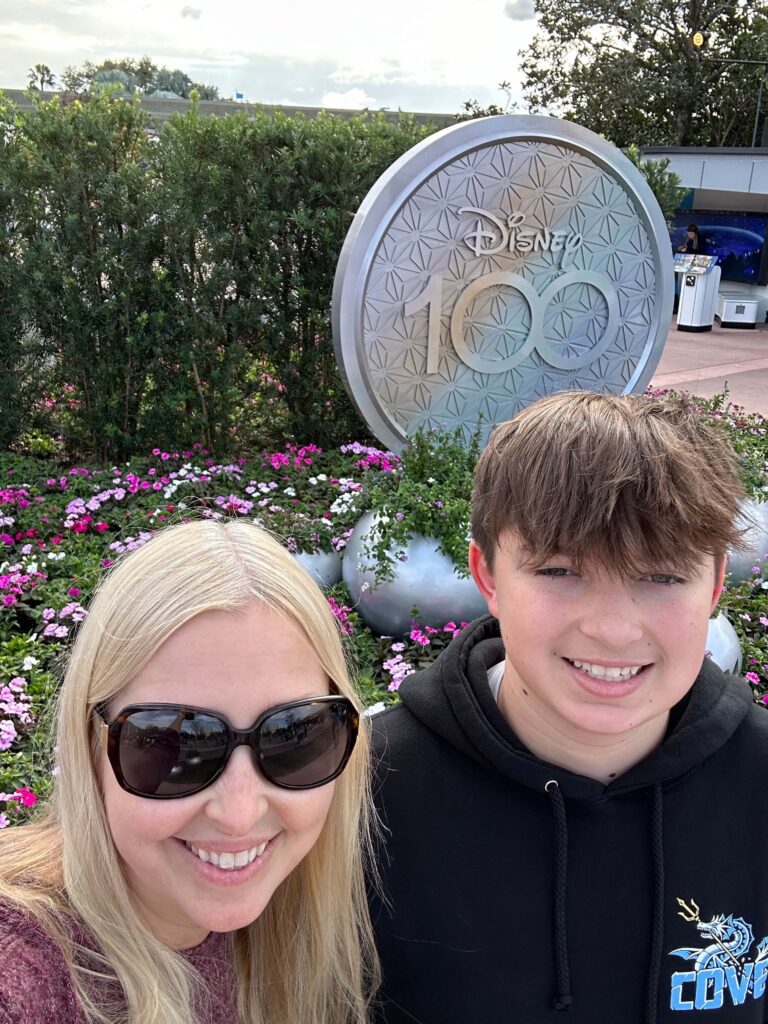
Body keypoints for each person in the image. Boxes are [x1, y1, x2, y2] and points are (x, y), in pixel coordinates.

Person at [369, 392, 768, 1024]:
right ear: (489, 576)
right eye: (559, 571)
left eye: (661, 577)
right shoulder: (368, 793)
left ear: (716, 583)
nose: (612, 630)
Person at [0, 520, 378, 1024]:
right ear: (90, 744)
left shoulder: (295, 929)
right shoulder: (24, 968)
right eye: (173, 744)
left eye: (293, 734)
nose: (239, 814)